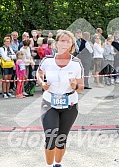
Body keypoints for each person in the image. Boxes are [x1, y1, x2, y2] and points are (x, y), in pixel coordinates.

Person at [36, 30, 84, 167]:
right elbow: (39, 73)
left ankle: (58, 163)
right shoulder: (47, 61)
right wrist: (42, 83)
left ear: (72, 45)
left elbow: (81, 87)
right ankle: (49, 165)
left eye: (68, 41)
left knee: (61, 139)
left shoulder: (76, 64)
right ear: (56, 43)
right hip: (49, 103)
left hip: (70, 104)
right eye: (62, 40)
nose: (64, 43)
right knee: (51, 137)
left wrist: (75, 85)